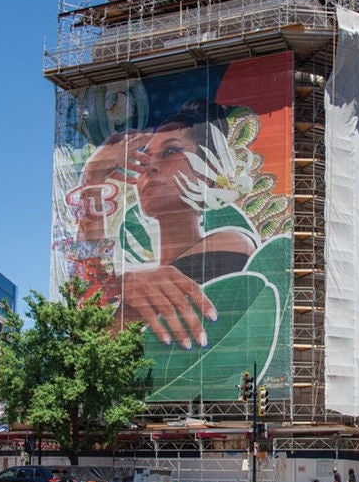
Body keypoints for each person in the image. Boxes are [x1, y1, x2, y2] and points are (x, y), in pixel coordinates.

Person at [66, 98, 257, 350]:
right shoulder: (145, 277)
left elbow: (97, 334)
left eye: (170, 152)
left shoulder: (232, 241)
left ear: (208, 170)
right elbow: (88, 326)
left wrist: (124, 286)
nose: (150, 167)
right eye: (144, 158)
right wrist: (94, 178)